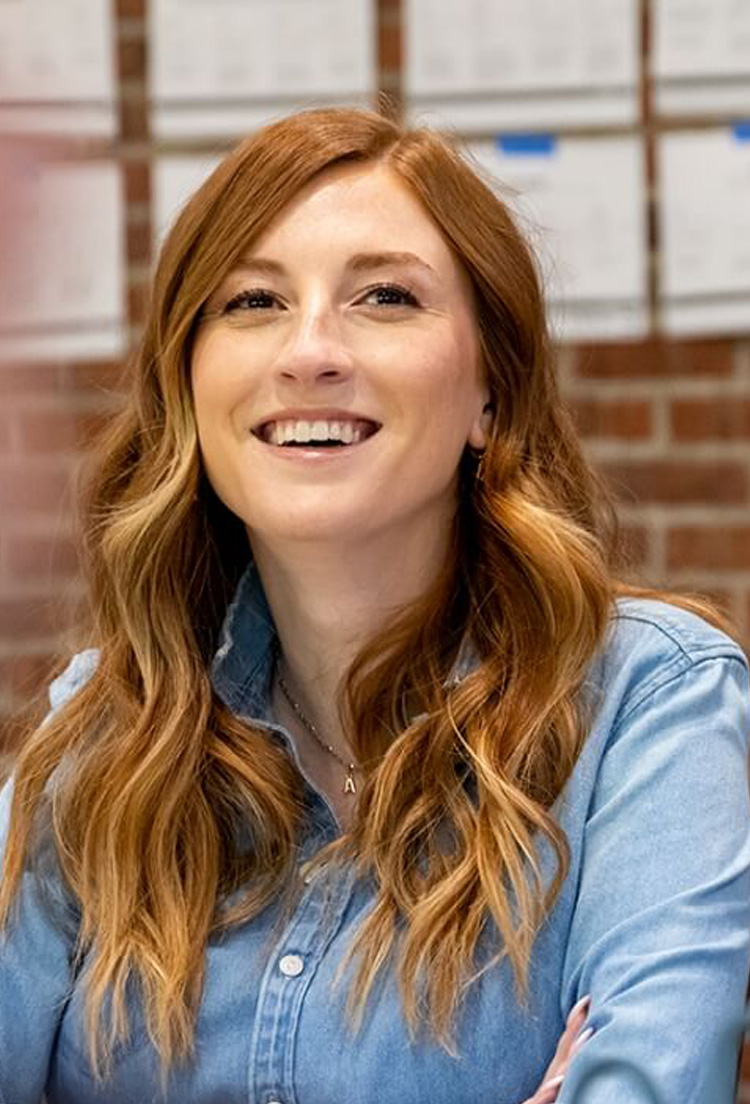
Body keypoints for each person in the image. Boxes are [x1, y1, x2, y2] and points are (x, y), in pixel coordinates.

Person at [0, 105, 748, 1104]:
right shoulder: (105, 732)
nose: (309, 352)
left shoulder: (652, 707)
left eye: (386, 297)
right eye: (253, 301)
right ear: (188, 383)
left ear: (491, 392)